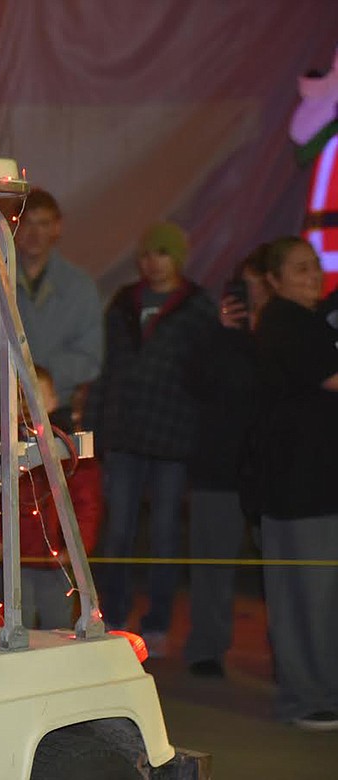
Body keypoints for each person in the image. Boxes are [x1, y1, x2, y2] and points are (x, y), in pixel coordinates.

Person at [87, 222, 216, 656]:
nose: (152, 262)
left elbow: (206, 377)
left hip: (172, 437)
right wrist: (98, 426)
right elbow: (108, 368)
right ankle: (115, 614)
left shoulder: (197, 307)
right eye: (146, 254)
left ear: (177, 258)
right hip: (124, 433)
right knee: (118, 529)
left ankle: (159, 621)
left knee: (163, 534)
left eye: (161, 253)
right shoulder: (124, 302)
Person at [250, 236, 338, 730]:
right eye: (301, 269)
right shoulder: (288, 323)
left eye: (316, 267)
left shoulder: (309, 322)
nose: (314, 276)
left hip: (310, 486)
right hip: (299, 489)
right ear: (275, 280)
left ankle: (317, 691)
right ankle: (307, 698)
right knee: (307, 598)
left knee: (316, 598)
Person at [183, 243, 271, 678]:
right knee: (212, 563)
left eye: (258, 283)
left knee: (280, 571)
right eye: (247, 285)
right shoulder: (218, 336)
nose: (252, 293)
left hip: (272, 468)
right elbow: (197, 385)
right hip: (219, 464)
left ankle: (288, 654)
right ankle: (207, 647)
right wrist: (222, 333)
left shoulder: (286, 333)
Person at [0, 188, 102, 429]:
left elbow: (90, 355)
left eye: (43, 223)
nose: (34, 233)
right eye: (26, 223)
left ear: (57, 227)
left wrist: (44, 380)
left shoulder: (80, 288)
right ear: (12, 228)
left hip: (55, 413)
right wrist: (13, 381)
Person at [0, 367, 102, 630]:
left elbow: (87, 503)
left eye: (34, 396)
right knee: (17, 623)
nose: (26, 404)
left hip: (56, 561)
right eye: (19, 397)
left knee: (57, 624)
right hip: (15, 560)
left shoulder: (70, 450)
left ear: (54, 401)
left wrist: (76, 547)